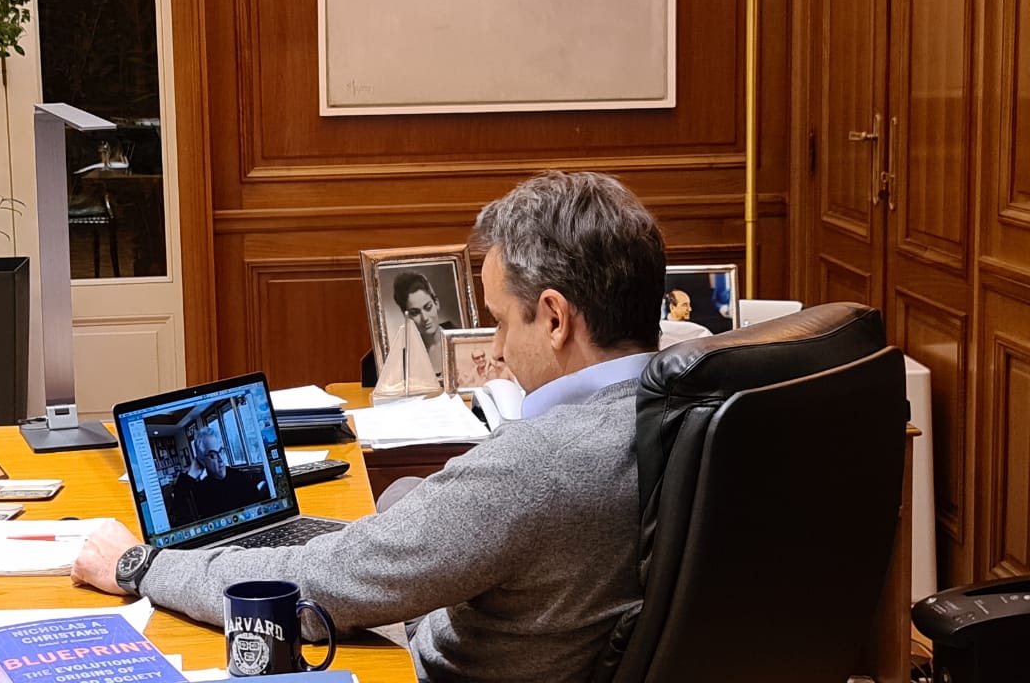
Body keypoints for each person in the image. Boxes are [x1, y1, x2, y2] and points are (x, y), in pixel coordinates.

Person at [71, 170, 666, 682]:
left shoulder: (536, 467)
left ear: (556, 317)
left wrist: (141, 566)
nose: (497, 349)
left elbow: (307, 591)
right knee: (401, 495)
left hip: (423, 668)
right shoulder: (685, 411)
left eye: (501, 321)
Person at [186, 428, 266, 518]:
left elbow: (259, 509)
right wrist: (190, 476)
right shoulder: (201, 491)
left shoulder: (241, 478)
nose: (221, 459)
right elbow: (181, 512)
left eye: (221, 451)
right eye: (212, 455)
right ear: (201, 460)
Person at [392, 271, 456, 377]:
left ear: (436, 303)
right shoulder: (405, 359)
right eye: (415, 312)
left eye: (428, 307)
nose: (425, 318)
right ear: (406, 315)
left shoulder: (461, 341)